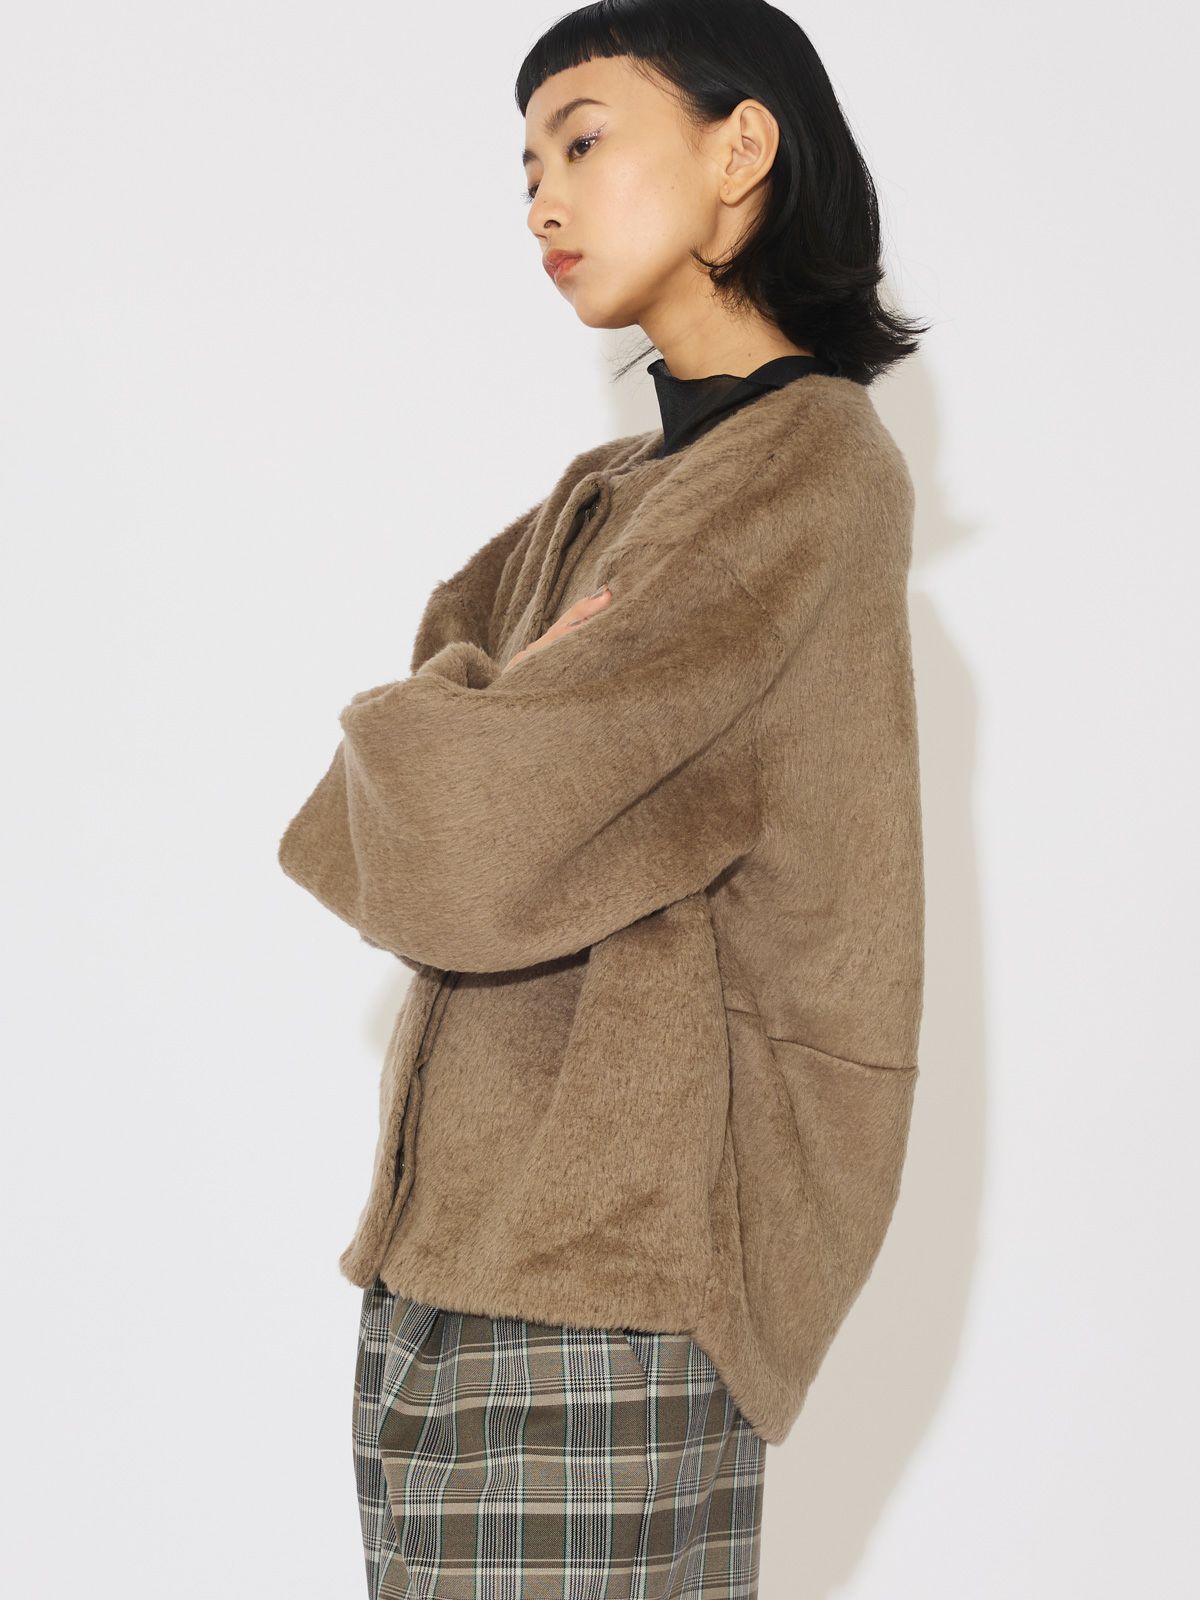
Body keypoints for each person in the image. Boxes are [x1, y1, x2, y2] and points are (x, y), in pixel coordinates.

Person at [278, 3, 929, 1596]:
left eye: (580, 142)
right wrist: (474, 718)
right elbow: (406, 796)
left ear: (741, 146)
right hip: (464, 1250)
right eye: (525, 170)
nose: (542, 204)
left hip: (613, 1271)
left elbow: (458, 819)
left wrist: (466, 724)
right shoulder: (612, 493)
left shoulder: (804, 469)